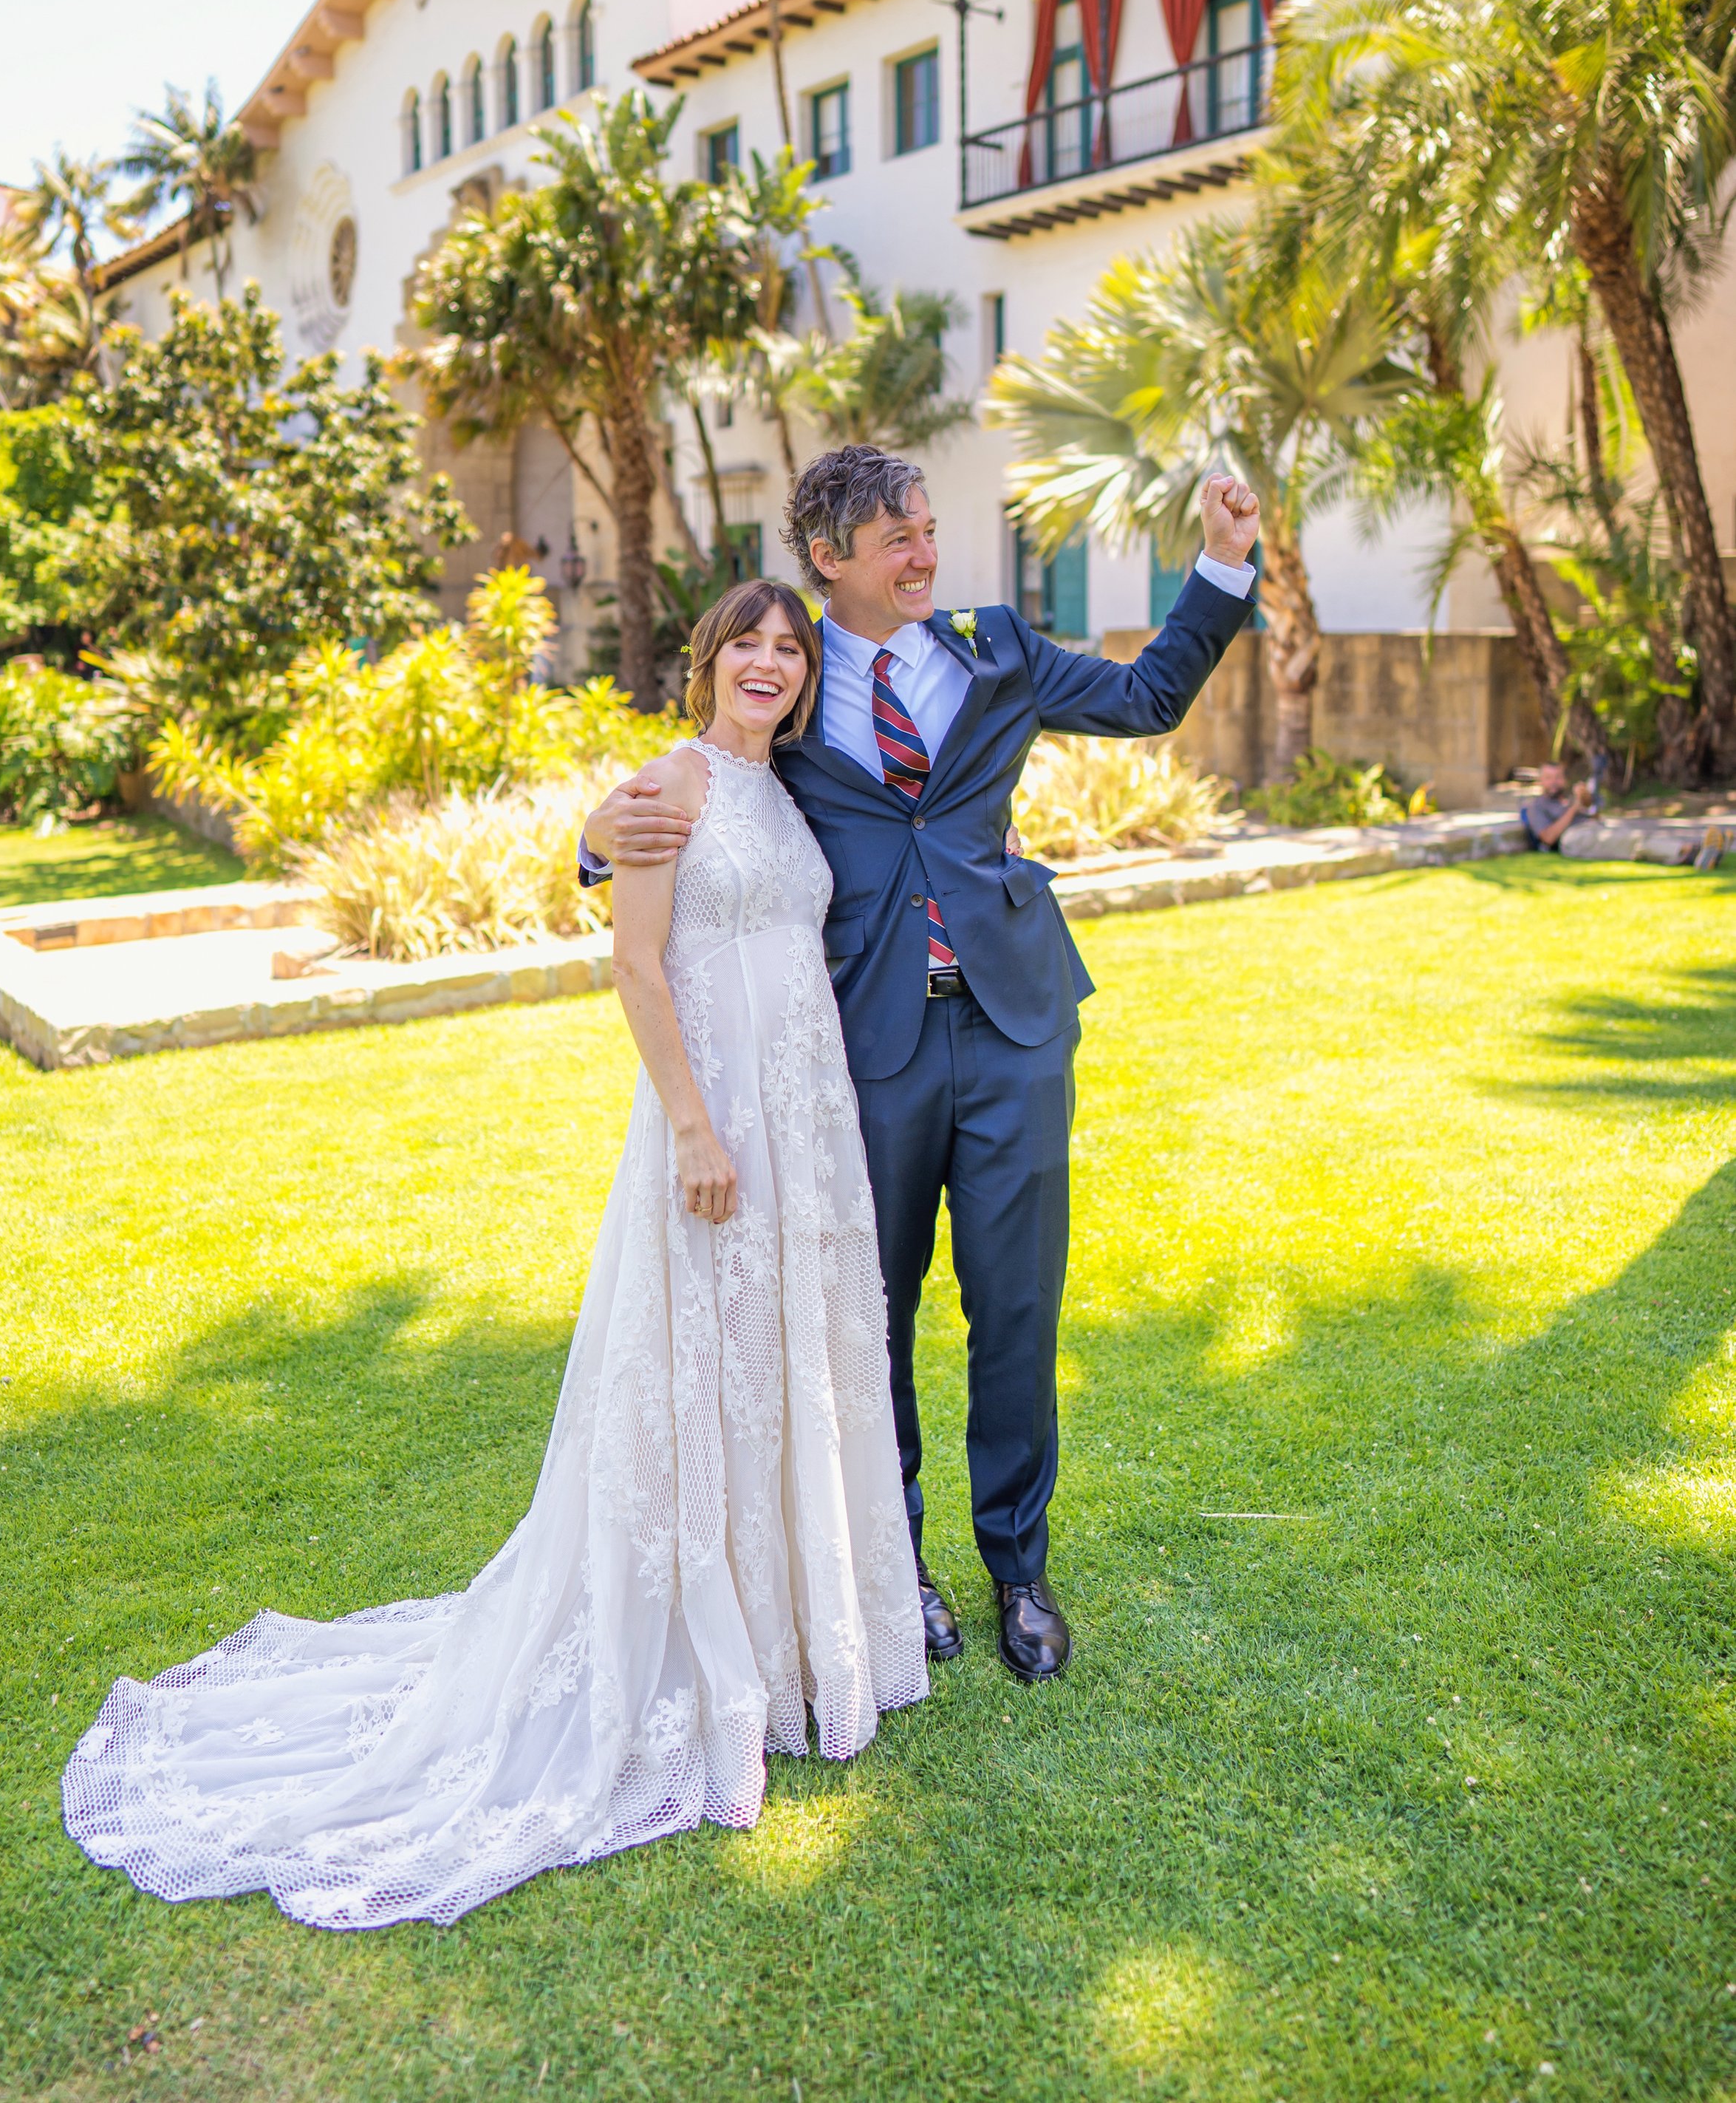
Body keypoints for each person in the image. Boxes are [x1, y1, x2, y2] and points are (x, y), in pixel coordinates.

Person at [61, 581, 926, 1930]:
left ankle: (796, 1639)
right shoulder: (668, 788)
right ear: (702, 665)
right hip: (719, 1127)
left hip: (807, 1132)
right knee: (703, 1378)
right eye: (746, 643)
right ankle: (691, 1656)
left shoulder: (789, 788)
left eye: (789, 647)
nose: (770, 661)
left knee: (783, 1371)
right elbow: (639, 968)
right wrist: (696, 1128)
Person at [581, 444, 1258, 1685]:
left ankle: (1020, 1569)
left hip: (1010, 1028)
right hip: (866, 1054)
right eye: (897, 537)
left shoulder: (996, 647)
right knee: (866, 1319)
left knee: (1015, 1312)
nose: (926, 555)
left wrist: (1220, 558)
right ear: (829, 559)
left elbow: (1151, 696)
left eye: (930, 530)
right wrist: (593, 837)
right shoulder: (788, 677)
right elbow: (705, 794)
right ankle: (897, 1569)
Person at [1520, 761, 1596, 851]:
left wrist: (1586, 800)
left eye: (1558, 777)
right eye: (1548, 778)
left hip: (1594, 831)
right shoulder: (1537, 805)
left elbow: (1596, 818)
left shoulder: (1570, 798)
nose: (1554, 782)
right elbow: (1548, 838)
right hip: (1576, 840)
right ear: (1540, 781)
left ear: (1565, 780)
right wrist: (1574, 808)